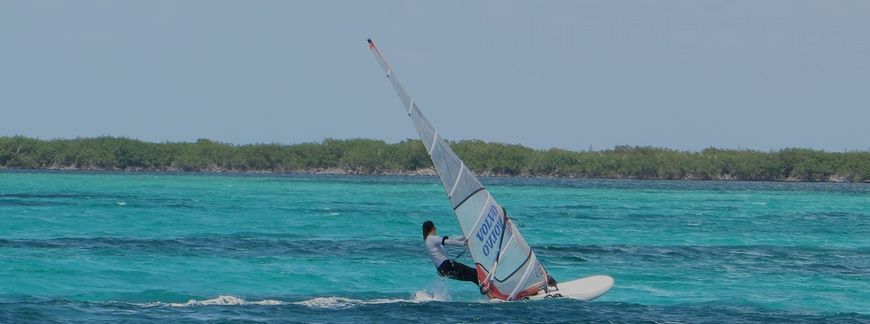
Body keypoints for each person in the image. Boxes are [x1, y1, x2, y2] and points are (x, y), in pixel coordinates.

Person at [422, 220, 479, 286]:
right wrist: (463, 243)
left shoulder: (427, 241)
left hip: (443, 271)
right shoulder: (432, 238)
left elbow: (451, 239)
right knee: (474, 273)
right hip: (447, 265)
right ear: (434, 228)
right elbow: (447, 242)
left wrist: (464, 237)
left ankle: (487, 290)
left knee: (471, 277)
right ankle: (488, 287)